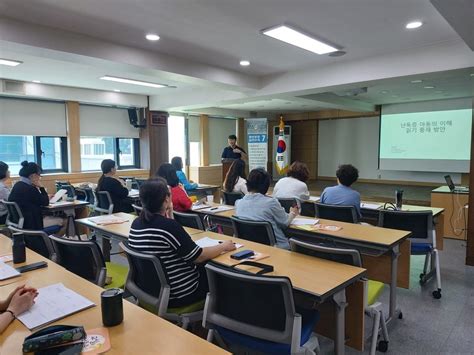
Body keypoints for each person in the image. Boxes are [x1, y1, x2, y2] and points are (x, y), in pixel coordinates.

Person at [128, 178, 235, 308]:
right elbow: (198, 256)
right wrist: (223, 246)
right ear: (166, 199)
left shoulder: (137, 223)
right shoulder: (168, 227)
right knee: (220, 272)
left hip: (149, 289)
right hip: (180, 293)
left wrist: (170, 214)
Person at [235, 168, 298, 249]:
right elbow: (285, 222)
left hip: (251, 247)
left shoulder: (239, 203)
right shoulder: (271, 203)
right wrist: (293, 213)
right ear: (266, 185)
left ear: (247, 184)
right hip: (276, 248)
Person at [8, 161, 63, 231]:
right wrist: (41, 187)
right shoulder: (30, 188)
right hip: (33, 225)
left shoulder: (17, 185)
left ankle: (45, 241)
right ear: (33, 175)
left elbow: (35, 199)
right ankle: (47, 241)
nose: (39, 178)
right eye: (39, 175)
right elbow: (45, 202)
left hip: (20, 223)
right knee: (64, 220)